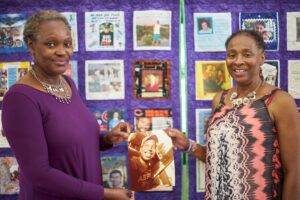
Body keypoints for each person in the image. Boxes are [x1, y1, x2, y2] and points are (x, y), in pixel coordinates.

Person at [1, 10, 132, 200]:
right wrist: (105, 194)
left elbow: (72, 145)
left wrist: (107, 140)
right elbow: (39, 174)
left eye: (67, 44)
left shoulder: (67, 84)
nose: (62, 51)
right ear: (31, 45)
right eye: (51, 44)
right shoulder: (20, 98)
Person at [165, 30, 300, 199]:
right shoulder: (219, 99)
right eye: (232, 55)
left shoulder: (279, 101)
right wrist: (188, 145)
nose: (238, 61)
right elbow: (220, 158)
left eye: (247, 54)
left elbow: (294, 170)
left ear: (262, 58)